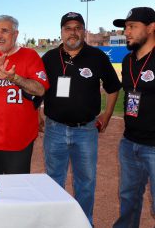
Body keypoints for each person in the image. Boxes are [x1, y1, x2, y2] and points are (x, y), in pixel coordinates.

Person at [40, 12, 121, 225]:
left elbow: (113, 88)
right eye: (68, 28)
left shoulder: (97, 57)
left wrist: (108, 114)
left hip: (85, 131)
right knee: (53, 181)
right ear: (61, 32)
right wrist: (36, 113)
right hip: (54, 129)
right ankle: (57, 223)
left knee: (85, 182)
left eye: (77, 27)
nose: (73, 32)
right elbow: (38, 89)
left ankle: (84, 222)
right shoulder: (49, 58)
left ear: (84, 31)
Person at [0, 15, 49, 175]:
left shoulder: (30, 56)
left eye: (4, 31)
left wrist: (14, 77)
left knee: (16, 191)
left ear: (16, 34)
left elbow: (40, 89)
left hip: (20, 138)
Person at [112, 7, 155, 228]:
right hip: (129, 143)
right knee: (128, 200)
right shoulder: (129, 61)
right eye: (125, 27)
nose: (126, 32)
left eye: (132, 27)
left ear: (151, 28)